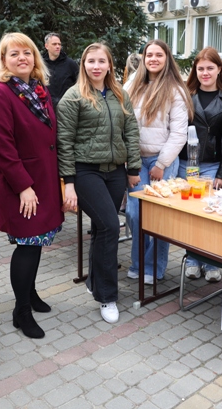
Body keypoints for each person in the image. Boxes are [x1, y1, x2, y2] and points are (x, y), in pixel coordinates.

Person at [0, 32, 64, 338]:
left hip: (43, 181)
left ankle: (30, 294)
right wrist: (23, 186)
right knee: (27, 246)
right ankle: (21, 312)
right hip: (23, 186)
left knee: (37, 243)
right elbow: (1, 147)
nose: (22, 58)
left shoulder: (37, 90)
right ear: (3, 61)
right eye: (13, 54)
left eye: (27, 52)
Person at [57, 43, 141, 323]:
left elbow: (130, 131)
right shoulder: (73, 96)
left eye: (101, 61)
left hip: (116, 171)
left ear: (109, 65)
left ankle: (95, 281)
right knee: (109, 225)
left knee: (101, 230)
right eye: (90, 61)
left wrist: (133, 168)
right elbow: (64, 142)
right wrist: (68, 182)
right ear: (83, 64)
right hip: (86, 171)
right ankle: (107, 296)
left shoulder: (120, 94)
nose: (96, 66)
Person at [125, 39, 192, 284]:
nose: (153, 59)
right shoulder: (132, 84)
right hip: (135, 160)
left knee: (160, 216)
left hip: (162, 160)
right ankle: (138, 262)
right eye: (149, 54)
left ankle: (154, 267)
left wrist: (162, 164)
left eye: (159, 55)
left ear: (167, 59)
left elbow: (178, 133)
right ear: (143, 58)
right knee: (134, 213)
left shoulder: (175, 89)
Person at [178, 47, 222, 282]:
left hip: (213, 166)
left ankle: (211, 262)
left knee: (209, 214)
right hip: (187, 163)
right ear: (195, 70)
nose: (205, 72)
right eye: (201, 68)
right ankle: (192, 259)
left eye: (210, 68)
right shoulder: (185, 95)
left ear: (219, 70)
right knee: (188, 213)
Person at [42, 33, 79, 107]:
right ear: (46, 46)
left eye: (59, 44)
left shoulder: (70, 64)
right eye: (54, 44)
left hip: (68, 107)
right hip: (48, 108)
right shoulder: (41, 65)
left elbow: (80, 83)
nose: (58, 46)